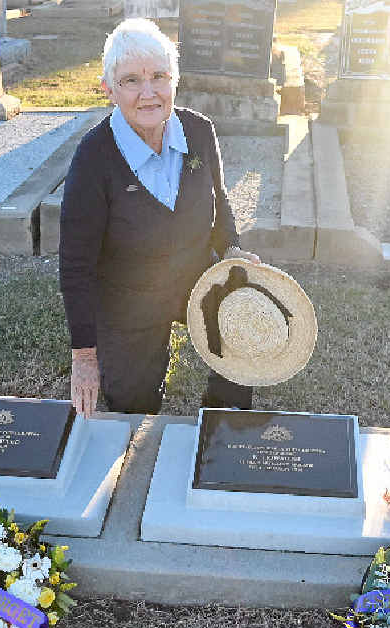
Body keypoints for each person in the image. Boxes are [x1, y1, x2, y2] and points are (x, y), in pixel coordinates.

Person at [59, 18, 260, 418]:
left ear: (175, 80)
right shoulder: (93, 158)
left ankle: (218, 426)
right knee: (132, 407)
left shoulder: (200, 131)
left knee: (244, 333)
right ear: (109, 89)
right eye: (131, 80)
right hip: (127, 297)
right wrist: (84, 356)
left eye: (159, 77)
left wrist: (233, 248)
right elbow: (76, 265)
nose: (148, 93)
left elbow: (219, 200)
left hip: (196, 276)